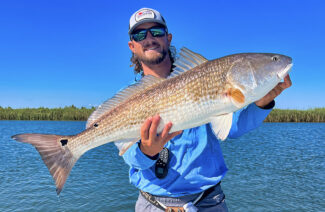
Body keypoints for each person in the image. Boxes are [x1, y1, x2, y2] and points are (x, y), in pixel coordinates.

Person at [120, 7, 292, 212]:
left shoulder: (201, 75)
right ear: (132, 45)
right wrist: (147, 152)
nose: (149, 38)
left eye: (156, 31)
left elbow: (231, 128)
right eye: (140, 34)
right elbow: (128, 153)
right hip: (153, 204)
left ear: (168, 38)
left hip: (209, 201)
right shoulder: (128, 98)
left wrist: (262, 103)